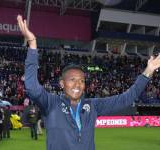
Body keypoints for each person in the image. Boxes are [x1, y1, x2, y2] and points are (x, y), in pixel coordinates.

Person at [17, 15, 160, 150]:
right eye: (72, 80)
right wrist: (32, 44)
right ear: (61, 83)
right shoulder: (51, 103)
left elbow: (128, 97)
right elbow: (32, 88)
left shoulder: (92, 106)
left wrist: (148, 71)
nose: (77, 84)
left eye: (81, 81)